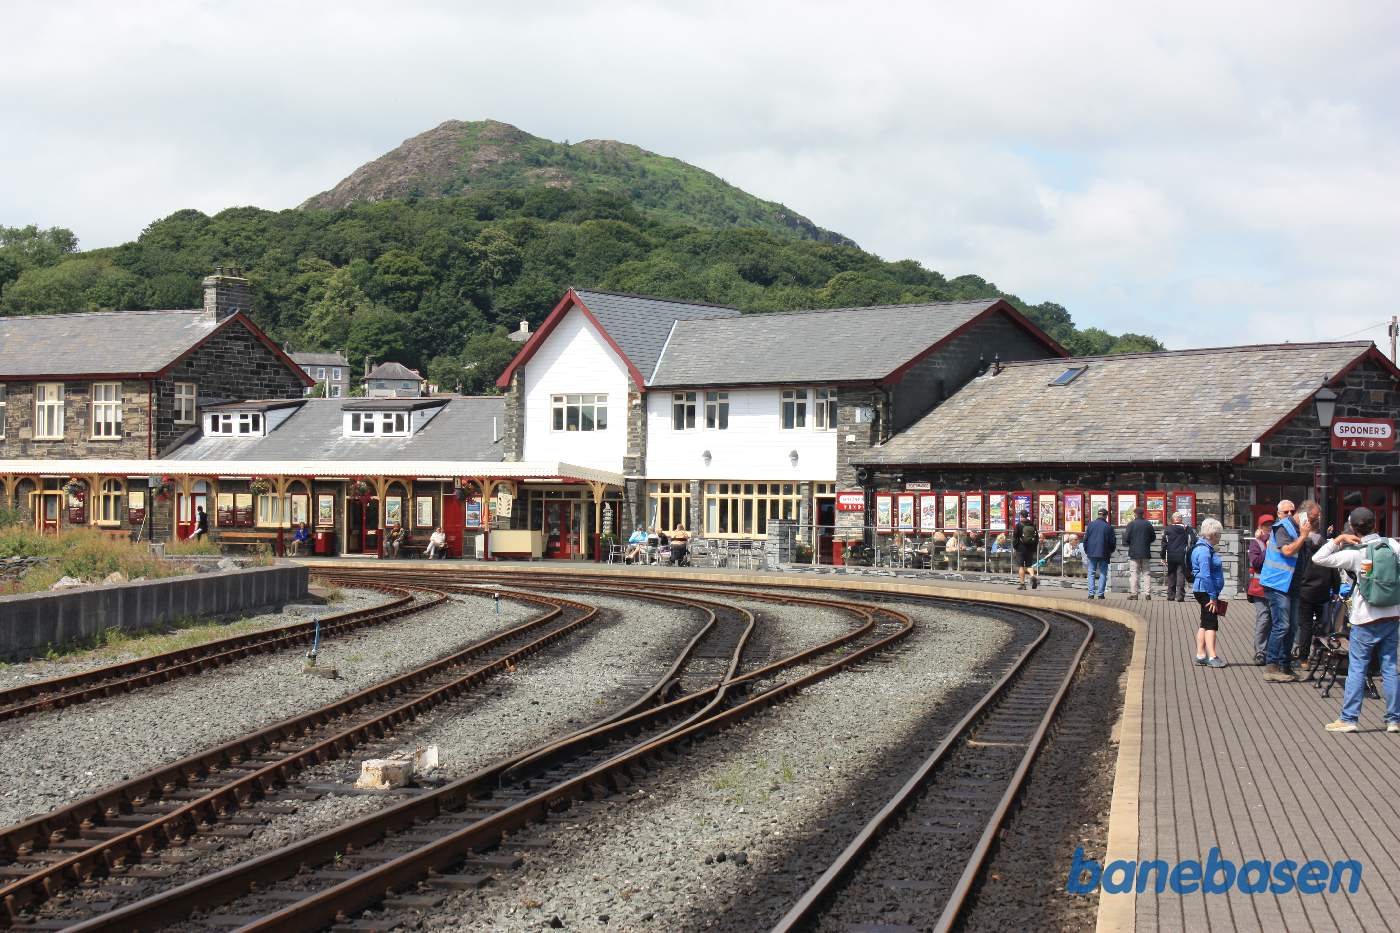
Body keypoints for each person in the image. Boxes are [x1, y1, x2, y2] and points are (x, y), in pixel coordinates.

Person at [1311, 507, 1400, 733]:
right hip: (1391, 614)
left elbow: (1318, 557)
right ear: (1375, 525)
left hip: (1365, 618)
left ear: (1353, 528)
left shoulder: (1356, 554)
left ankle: (1349, 718)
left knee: (1357, 669)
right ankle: (1394, 719)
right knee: (1390, 667)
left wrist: (1338, 538)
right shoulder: (1393, 546)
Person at [1261, 499, 1311, 683]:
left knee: (1292, 627)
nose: (1290, 514)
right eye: (1286, 511)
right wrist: (1304, 536)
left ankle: (1285, 665)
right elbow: (1288, 551)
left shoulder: (1297, 529)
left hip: (1292, 584)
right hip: (1278, 584)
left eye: (1292, 511)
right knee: (1281, 625)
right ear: (1279, 514)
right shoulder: (1282, 527)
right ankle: (1271, 666)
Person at [1294, 510, 1340, 668]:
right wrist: (1336, 589)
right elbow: (1334, 568)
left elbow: (1298, 567)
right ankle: (1320, 655)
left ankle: (1304, 658)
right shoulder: (1327, 545)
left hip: (1305, 589)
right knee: (1323, 625)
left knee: (1305, 625)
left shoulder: (1302, 544)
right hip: (1323, 590)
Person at [1190, 518, 1228, 668]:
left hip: (1203, 590)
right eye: (1218, 534)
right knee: (1211, 623)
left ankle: (1200, 654)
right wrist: (1212, 597)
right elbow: (1205, 575)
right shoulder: (1204, 551)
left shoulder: (1202, 548)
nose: (1220, 537)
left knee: (1204, 622)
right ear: (1212, 534)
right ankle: (1212, 656)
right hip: (1206, 591)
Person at [1247, 514, 1274, 665]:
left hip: (1274, 587)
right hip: (1259, 588)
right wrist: (1268, 549)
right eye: (1266, 525)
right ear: (1260, 527)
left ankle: (1270, 651)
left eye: (1271, 524)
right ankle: (1260, 652)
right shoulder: (1256, 544)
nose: (1269, 527)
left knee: (1273, 620)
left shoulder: (1278, 542)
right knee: (1263, 618)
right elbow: (1256, 562)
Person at [1122, 509, 1157, 600]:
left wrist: (1130, 543)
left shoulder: (1131, 524)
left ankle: (1134, 594)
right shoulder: (1148, 524)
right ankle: (1147, 593)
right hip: (1145, 552)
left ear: (1135, 514)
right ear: (1143, 514)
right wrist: (1146, 542)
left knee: (1134, 573)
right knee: (1146, 573)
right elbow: (1153, 537)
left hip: (1134, 552)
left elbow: (1126, 537)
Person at [1160, 512, 1195, 602]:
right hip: (1182, 555)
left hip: (1171, 555)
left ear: (1173, 519)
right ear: (1181, 519)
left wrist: (1162, 556)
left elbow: (1164, 544)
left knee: (1171, 575)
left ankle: (1171, 596)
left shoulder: (1167, 529)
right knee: (1181, 575)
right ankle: (1180, 596)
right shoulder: (1186, 528)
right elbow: (1193, 540)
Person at [1083, 508, 1116, 599]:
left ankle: (1091, 594)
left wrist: (1087, 550)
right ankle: (1101, 594)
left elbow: (1085, 539)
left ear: (1098, 515)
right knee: (1103, 573)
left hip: (1092, 552)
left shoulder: (1091, 525)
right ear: (1106, 516)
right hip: (1104, 553)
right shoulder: (1108, 527)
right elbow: (1112, 542)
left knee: (1091, 573)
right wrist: (1110, 551)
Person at [1012, 509, 1040, 590]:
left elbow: (1014, 538)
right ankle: (1032, 576)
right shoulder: (1032, 525)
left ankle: (1022, 584)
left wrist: (1015, 547)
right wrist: (1034, 547)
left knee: (1021, 566)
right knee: (1029, 565)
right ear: (1027, 516)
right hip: (1030, 548)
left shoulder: (1018, 525)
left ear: (1021, 516)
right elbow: (1036, 537)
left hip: (1020, 549)